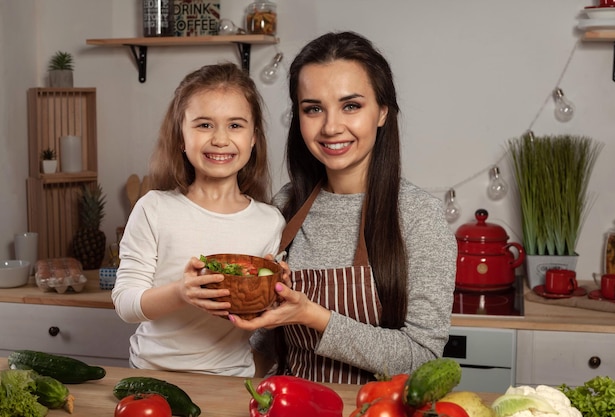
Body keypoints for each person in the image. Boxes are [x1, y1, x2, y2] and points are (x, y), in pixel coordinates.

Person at [231, 31, 457, 384]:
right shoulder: (286, 205)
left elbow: (423, 359)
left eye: (351, 105)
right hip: (289, 406)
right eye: (313, 109)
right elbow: (267, 341)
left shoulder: (417, 216)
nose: (331, 127)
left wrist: (314, 317)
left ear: (382, 111)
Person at [111, 63, 286, 377]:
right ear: (181, 135)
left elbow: (265, 320)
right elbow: (125, 303)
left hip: (233, 379)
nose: (220, 139)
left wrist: (275, 294)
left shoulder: (270, 221)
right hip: (152, 374)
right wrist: (182, 292)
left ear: (254, 138)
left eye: (235, 125)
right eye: (204, 125)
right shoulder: (153, 208)